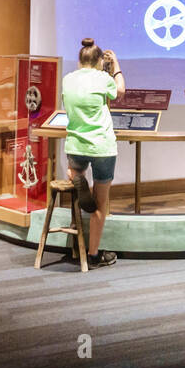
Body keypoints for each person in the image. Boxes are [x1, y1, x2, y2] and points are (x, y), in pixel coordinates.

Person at [60, 37, 125, 268]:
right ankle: (94, 254)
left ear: (79, 60)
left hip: (76, 145)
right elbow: (119, 92)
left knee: (75, 174)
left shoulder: (68, 79)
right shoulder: (103, 78)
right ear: (99, 61)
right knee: (100, 206)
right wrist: (115, 66)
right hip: (102, 147)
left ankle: (76, 177)